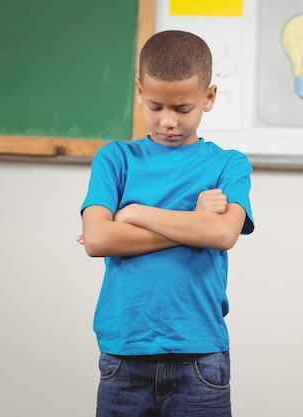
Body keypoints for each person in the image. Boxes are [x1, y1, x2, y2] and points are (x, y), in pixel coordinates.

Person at [79, 30, 254, 417]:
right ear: (140, 90)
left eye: (183, 108)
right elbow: (96, 238)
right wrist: (194, 223)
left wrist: (135, 214)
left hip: (200, 355)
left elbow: (223, 233)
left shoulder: (229, 164)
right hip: (124, 352)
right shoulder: (115, 159)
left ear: (208, 98)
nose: (168, 121)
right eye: (156, 106)